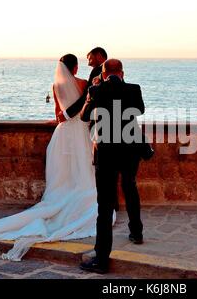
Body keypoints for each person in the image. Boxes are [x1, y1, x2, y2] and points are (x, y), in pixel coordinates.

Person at [0, 54, 114, 261]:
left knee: (63, 173)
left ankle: (60, 200)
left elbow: (59, 114)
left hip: (63, 132)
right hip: (81, 131)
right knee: (84, 168)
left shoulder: (55, 86)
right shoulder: (83, 83)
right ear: (74, 68)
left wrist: (59, 119)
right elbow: (85, 108)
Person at [58, 59, 145, 273]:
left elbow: (84, 116)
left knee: (104, 206)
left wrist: (92, 94)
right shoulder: (134, 89)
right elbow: (140, 110)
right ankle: (136, 232)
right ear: (122, 73)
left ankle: (102, 259)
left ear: (104, 74)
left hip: (106, 153)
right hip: (129, 150)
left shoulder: (97, 89)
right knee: (130, 187)